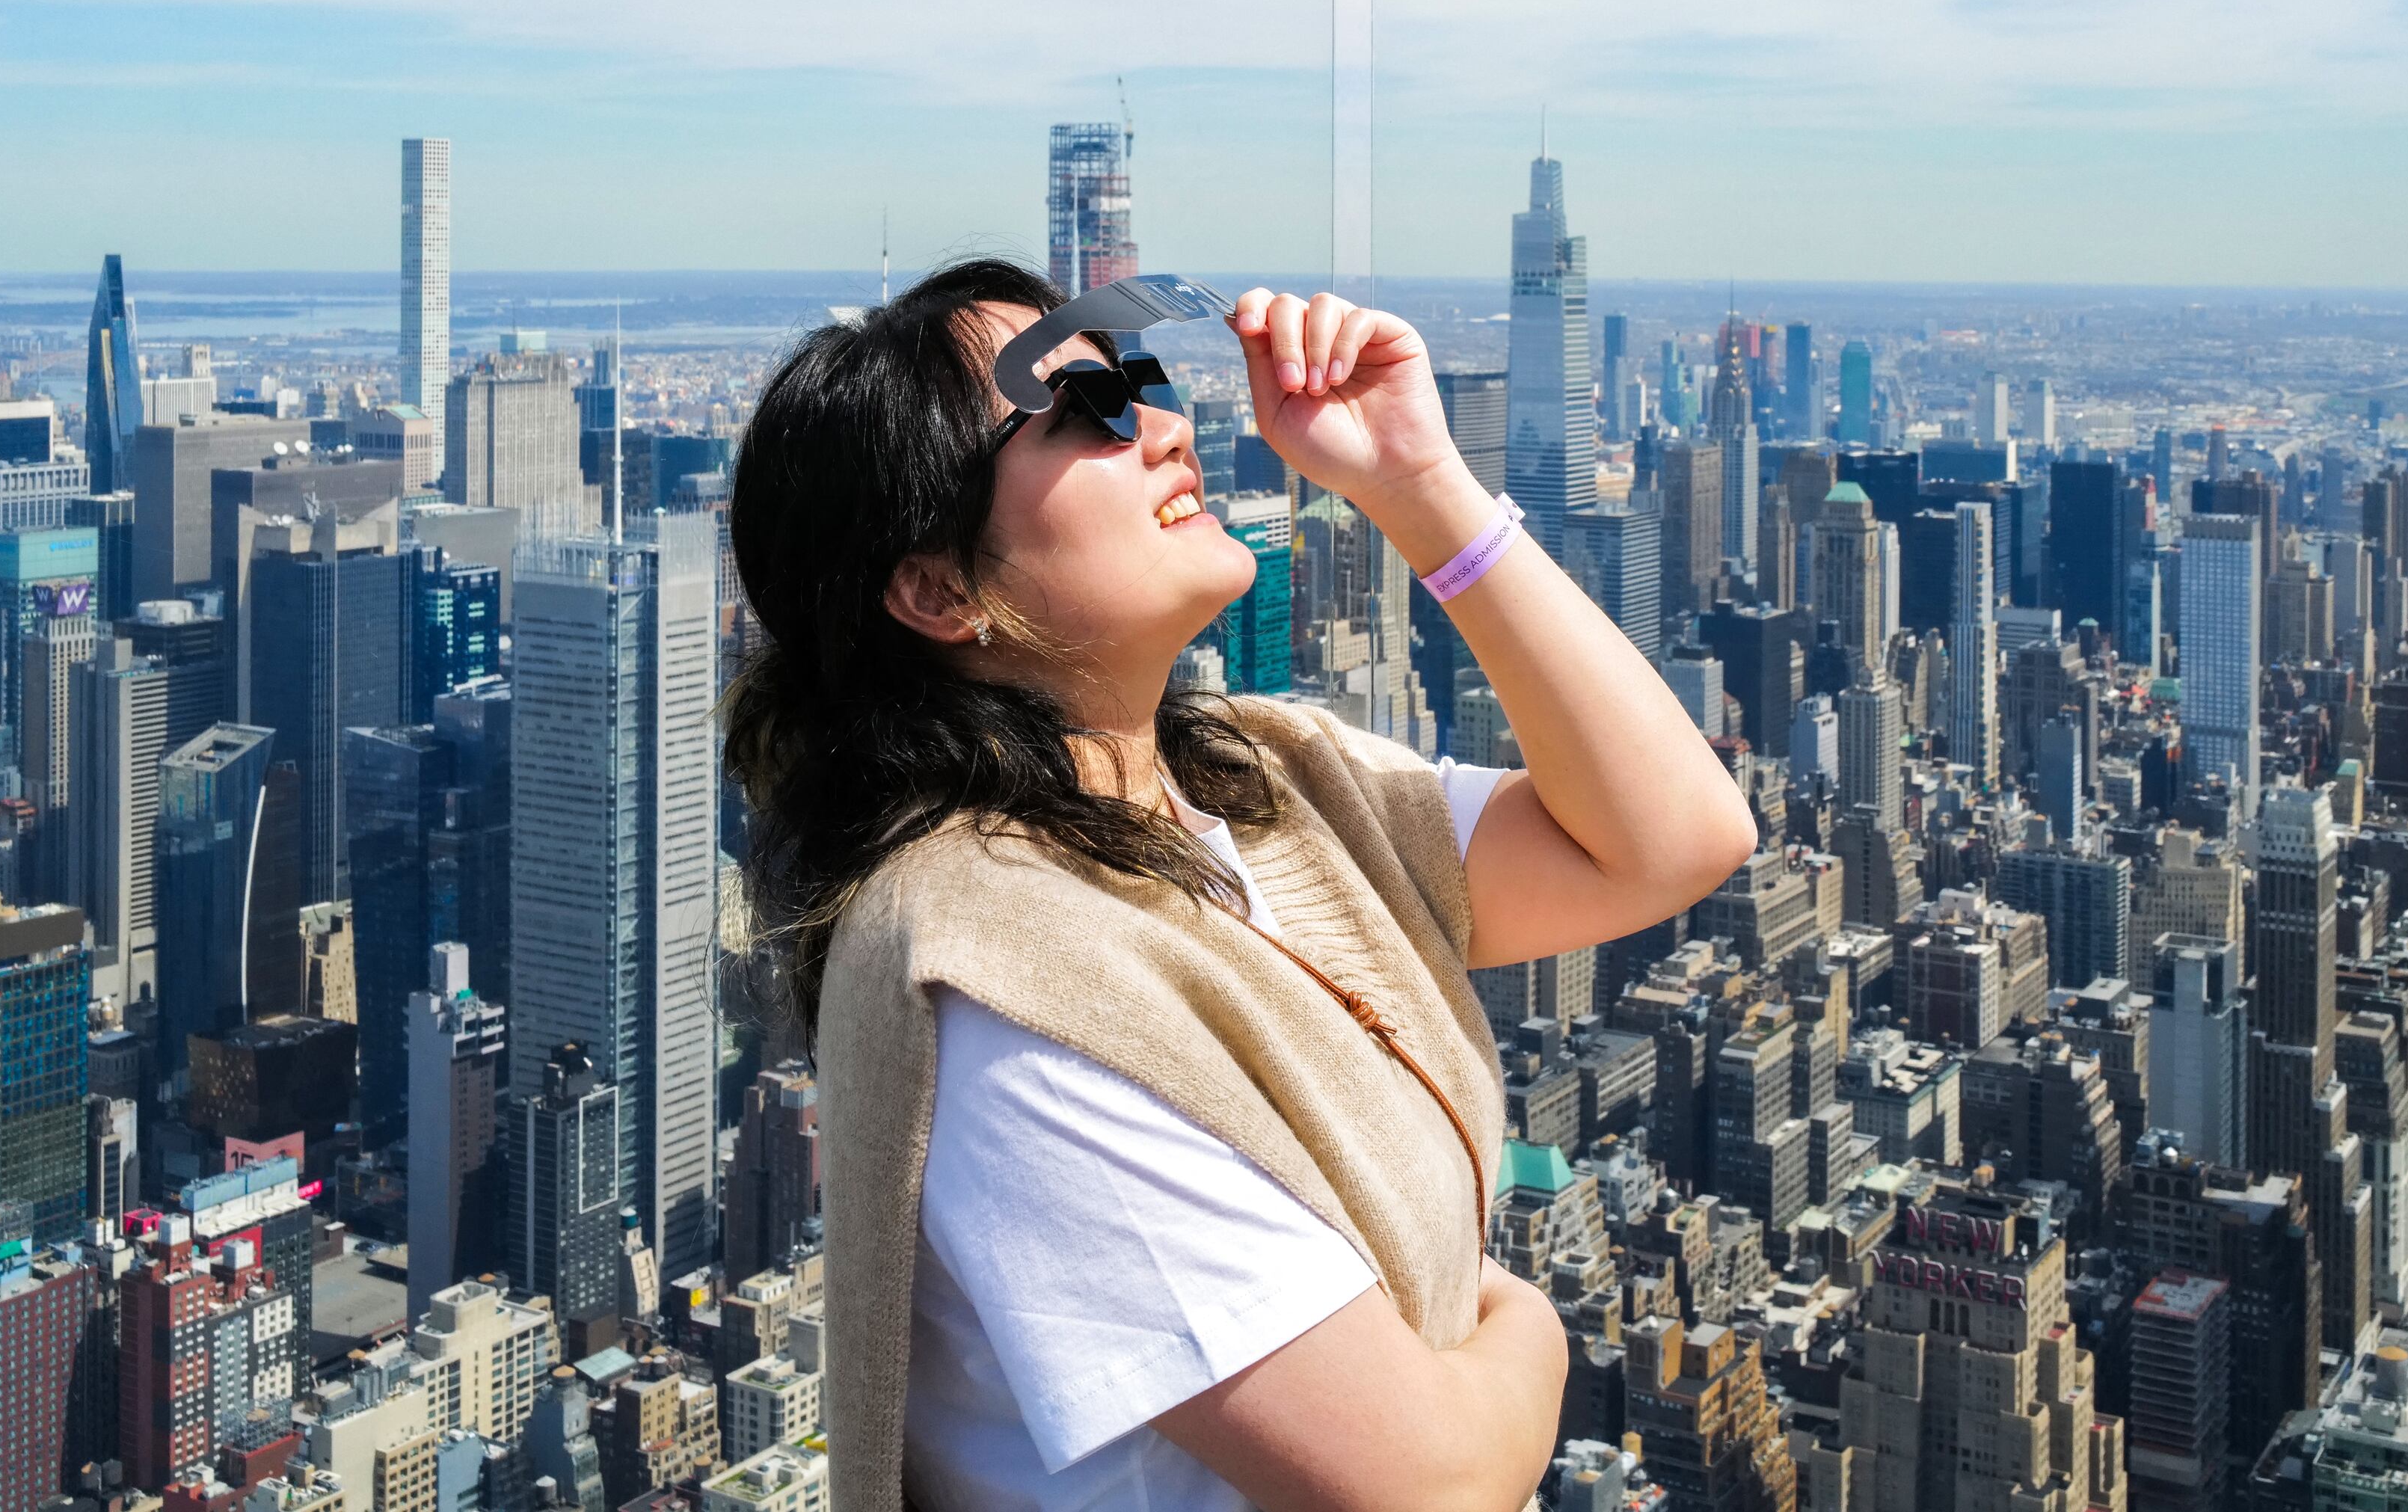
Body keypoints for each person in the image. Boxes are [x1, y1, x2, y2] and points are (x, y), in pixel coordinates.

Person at [726, 259, 1759, 1512]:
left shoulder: (1270, 785)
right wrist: (1528, 1324)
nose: (1165, 424)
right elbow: (1429, 1484)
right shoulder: (997, 981)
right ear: (942, 589)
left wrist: (1421, 484)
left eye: (1141, 378)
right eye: (1087, 409)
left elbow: (1675, 837)